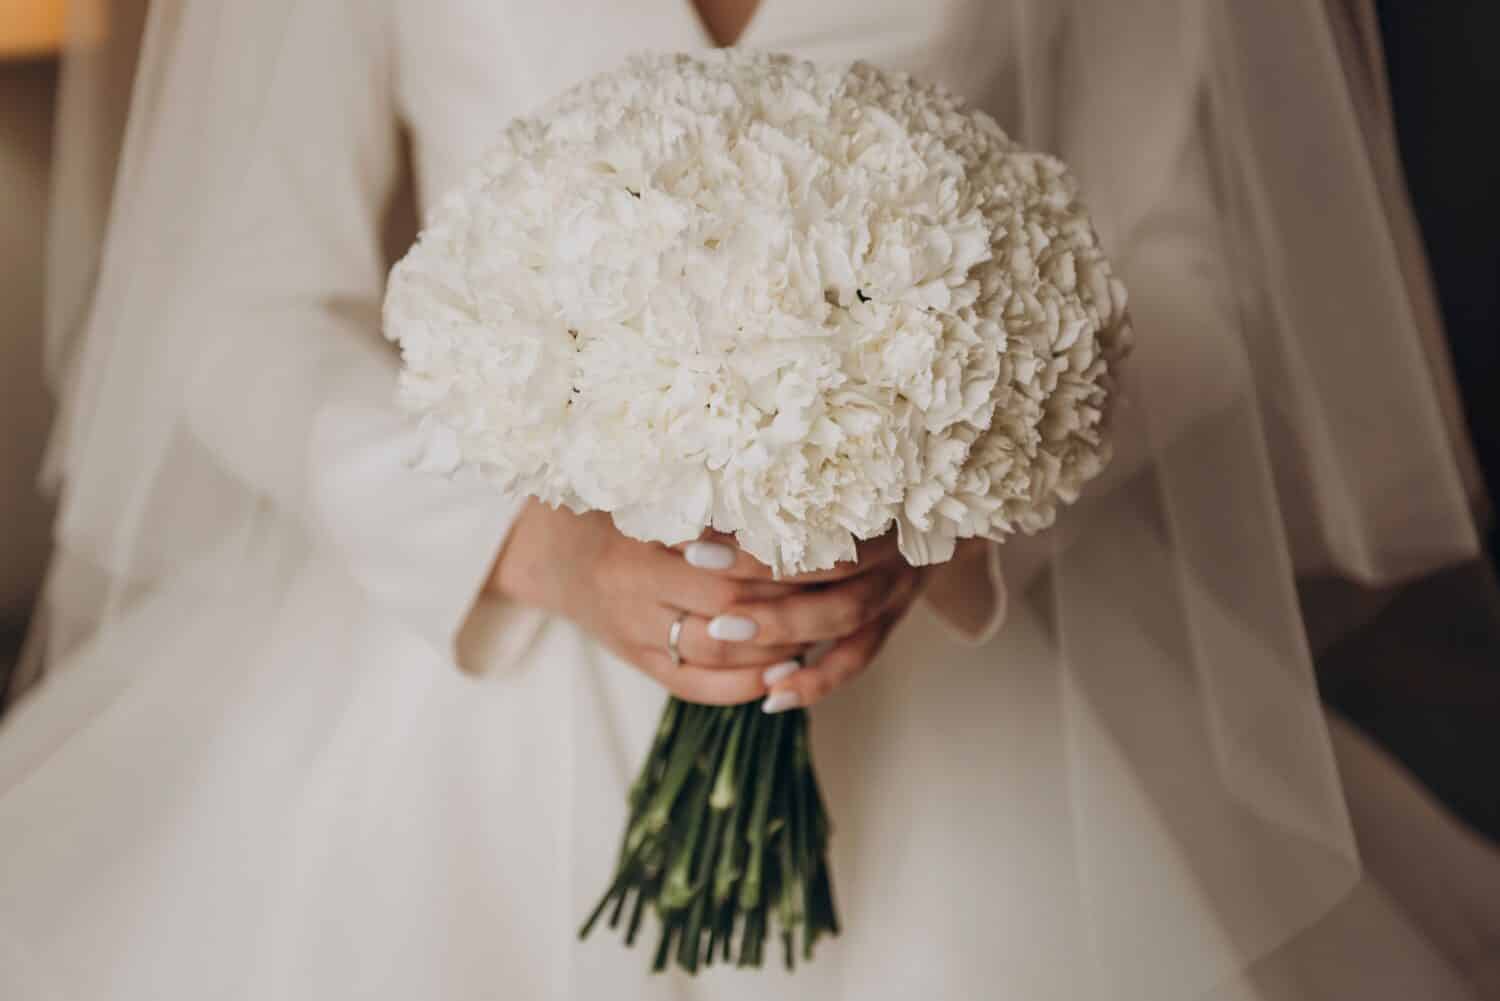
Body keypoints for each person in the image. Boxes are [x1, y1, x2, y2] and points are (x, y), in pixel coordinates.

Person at [1, 1, 1493, 998]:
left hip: (955, 663)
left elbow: (1189, 256)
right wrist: (531, 545)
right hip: (466, 679)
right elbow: (236, 306)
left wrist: (961, 499)